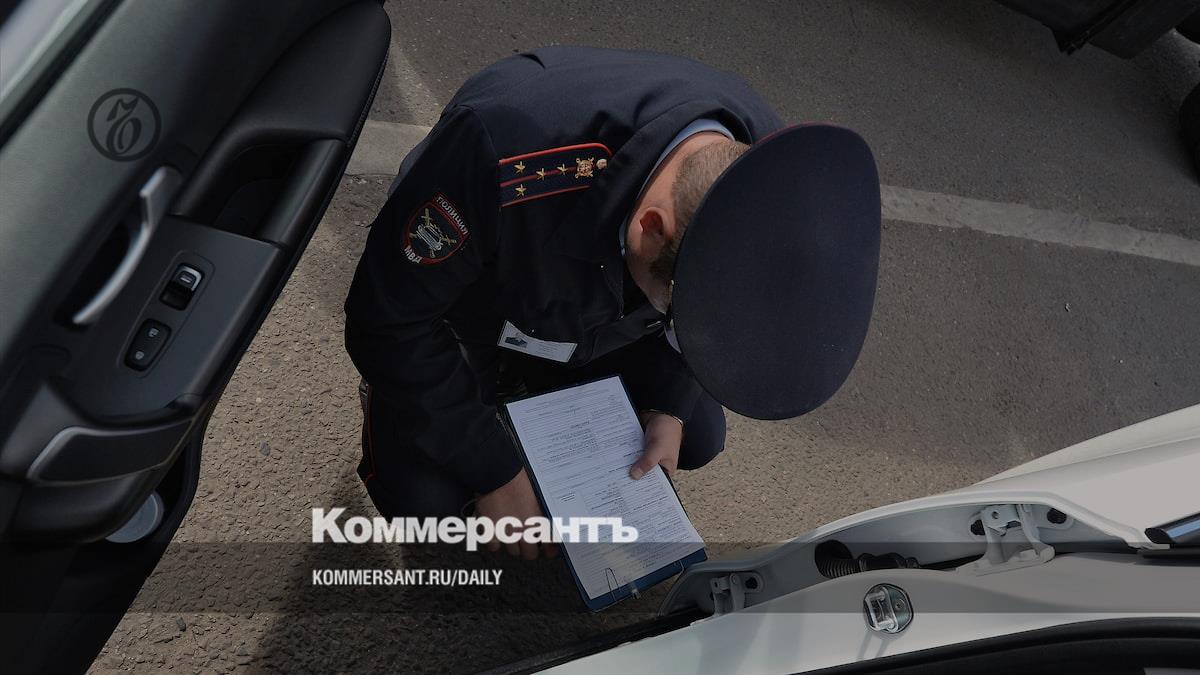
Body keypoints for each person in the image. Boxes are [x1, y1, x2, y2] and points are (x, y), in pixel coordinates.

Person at [344, 47, 881, 559]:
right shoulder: (500, 155)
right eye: (676, 309)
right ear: (651, 228)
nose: (679, 323)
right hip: (478, 309)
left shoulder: (764, 168)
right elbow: (386, 322)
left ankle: (541, 386)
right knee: (428, 505)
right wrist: (492, 469)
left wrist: (669, 402)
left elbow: (720, 308)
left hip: (600, 316)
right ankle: (442, 396)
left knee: (696, 435)